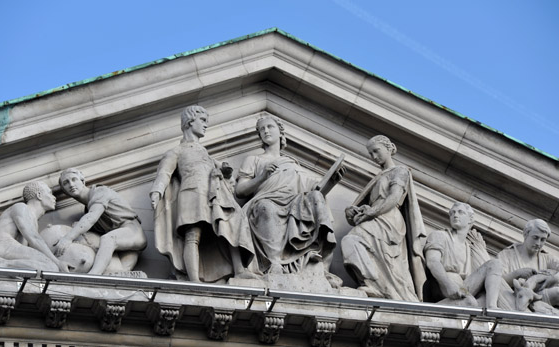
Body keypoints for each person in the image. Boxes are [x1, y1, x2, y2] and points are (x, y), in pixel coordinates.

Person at [150, 105, 254, 282]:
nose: (206, 125)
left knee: (231, 222)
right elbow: (164, 173)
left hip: (213, 197)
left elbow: (218, 166)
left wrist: (225, 170)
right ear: (190, 121)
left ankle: (239, 269)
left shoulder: (204, 152)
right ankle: (194, 279)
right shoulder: (177, 151)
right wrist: (157, 191)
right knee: (192, 235)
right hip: (191, 195)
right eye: (203, 121)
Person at [235, 116, 338, 275]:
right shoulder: (254, 160)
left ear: (280, 132)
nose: (266, 131)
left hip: (295, 204)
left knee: (317, 198)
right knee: (266, 207)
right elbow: (240, 190)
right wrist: (261, 177)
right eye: (262, 129)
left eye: (270, 127)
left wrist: (332, 182)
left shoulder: (292, 164)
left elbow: (316, 188)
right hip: (265, 201)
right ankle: (274, 261)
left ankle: (322, 260)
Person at [341, 135, 426, 301]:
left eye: (376, 151)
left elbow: (394, 197)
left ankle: (380, 286)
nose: (374, 157)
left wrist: (372, 211)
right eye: (371, 153)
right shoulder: (379, 177)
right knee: (351, 241)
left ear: (389, 148)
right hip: (376, 218)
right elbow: (365, 203)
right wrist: (353, 211)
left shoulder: (400, 171)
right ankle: (373, 282)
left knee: (355, 242)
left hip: (389, 220)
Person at [55, 168, 147, 275]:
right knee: (119, 274)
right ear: (64, 191)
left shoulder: (100, 191)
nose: (71, 184)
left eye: (74, 179)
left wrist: (68, 238)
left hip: (132, 232)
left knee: (108, 239)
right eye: (66, 183)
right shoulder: (88, 208)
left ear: (82, 181)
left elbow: (91, 218)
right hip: (124, 248)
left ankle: (93, 276)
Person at [423, 202, 504, 309]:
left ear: (470, 219)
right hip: (441, 283)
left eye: (460, 212)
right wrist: (447, 284)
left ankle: (492, 308)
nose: (455, 215)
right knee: (470, 302)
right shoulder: (439, 235)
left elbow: (498, 278)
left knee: (495, 264)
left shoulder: (469, 247)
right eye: (452, 213)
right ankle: (429, 310)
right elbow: (432, 262)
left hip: (462, 285)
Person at [0, 181, 69, 272]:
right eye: (50, 193)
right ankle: (2, 264)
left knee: (48, 267)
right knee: (51, 267)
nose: (54, 197)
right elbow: (34, 238)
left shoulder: (33, 220)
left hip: (12, 249)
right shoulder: (21, 207)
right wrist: (58, 262)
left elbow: (25, 244)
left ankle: (7, 266)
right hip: (5, 248)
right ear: (39, 195)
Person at [497, 219, 559, 309]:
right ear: (525, 234)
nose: (538, 243)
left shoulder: (548, 258)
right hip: (512, 299)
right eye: (535, 238)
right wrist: (517, 274)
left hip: (539, 299)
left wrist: (554, 278)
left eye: (543, 240)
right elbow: (496, 280)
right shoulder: (506, 255)